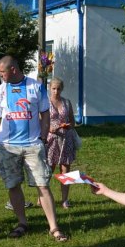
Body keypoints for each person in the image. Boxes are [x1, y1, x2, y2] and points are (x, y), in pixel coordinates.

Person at [0, 56, 68, 241]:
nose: (0, 75)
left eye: (2, 72)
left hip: (33, 145)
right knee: (13, 185)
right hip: (9, 147)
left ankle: (54, 227)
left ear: (13, 70)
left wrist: (43, 138)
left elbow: (45, 114)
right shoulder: (0, 90)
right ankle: (22, 223)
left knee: (43, 184)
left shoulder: (36, 87)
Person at [45, 77, 77, 208]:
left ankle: (65, 199)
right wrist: (49, 128)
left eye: (58, 89)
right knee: (49, 169)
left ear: (62, 89)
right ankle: (42, 197)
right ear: (50, 88)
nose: (56, 91)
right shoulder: (45, 103)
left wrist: (69, 125)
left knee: (65, 169)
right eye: (53, 88)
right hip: (51, 139)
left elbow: (73, 120)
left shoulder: (66, 102)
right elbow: (40, 121)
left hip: (66, 139)